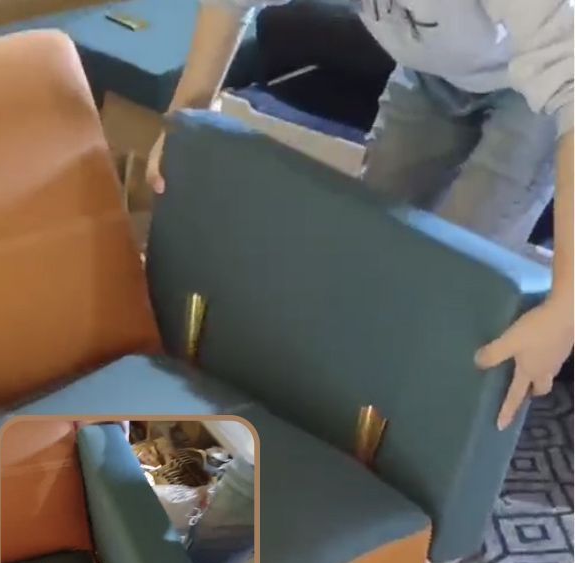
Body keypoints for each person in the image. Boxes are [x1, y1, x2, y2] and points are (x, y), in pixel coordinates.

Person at [147, 0, 574, 430]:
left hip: (535, 91)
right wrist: (184, 118)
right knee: (373, 243)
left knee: (464, 275)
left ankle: (426, 427)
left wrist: (565, 308)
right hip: (428, 71)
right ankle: (353, 411)